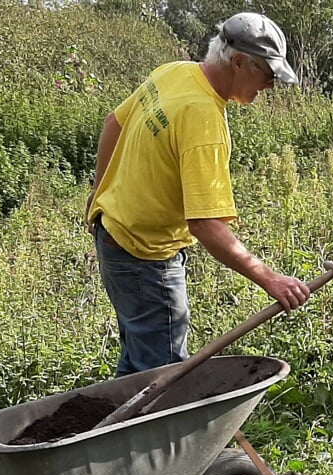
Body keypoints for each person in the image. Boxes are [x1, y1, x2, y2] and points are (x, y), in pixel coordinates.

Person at [85, 12, 311, 377]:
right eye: (268, 76)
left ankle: (117, 429)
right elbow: (206, 224)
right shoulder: (203, 119)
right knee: (161, 377)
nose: (270, 87)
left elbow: (115, 122)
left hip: (111, 232)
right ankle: (150, 434)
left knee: (139, 356)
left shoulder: (175, 72)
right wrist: (270, 278)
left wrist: (99, 194)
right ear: (239, 62)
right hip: (146, 256)